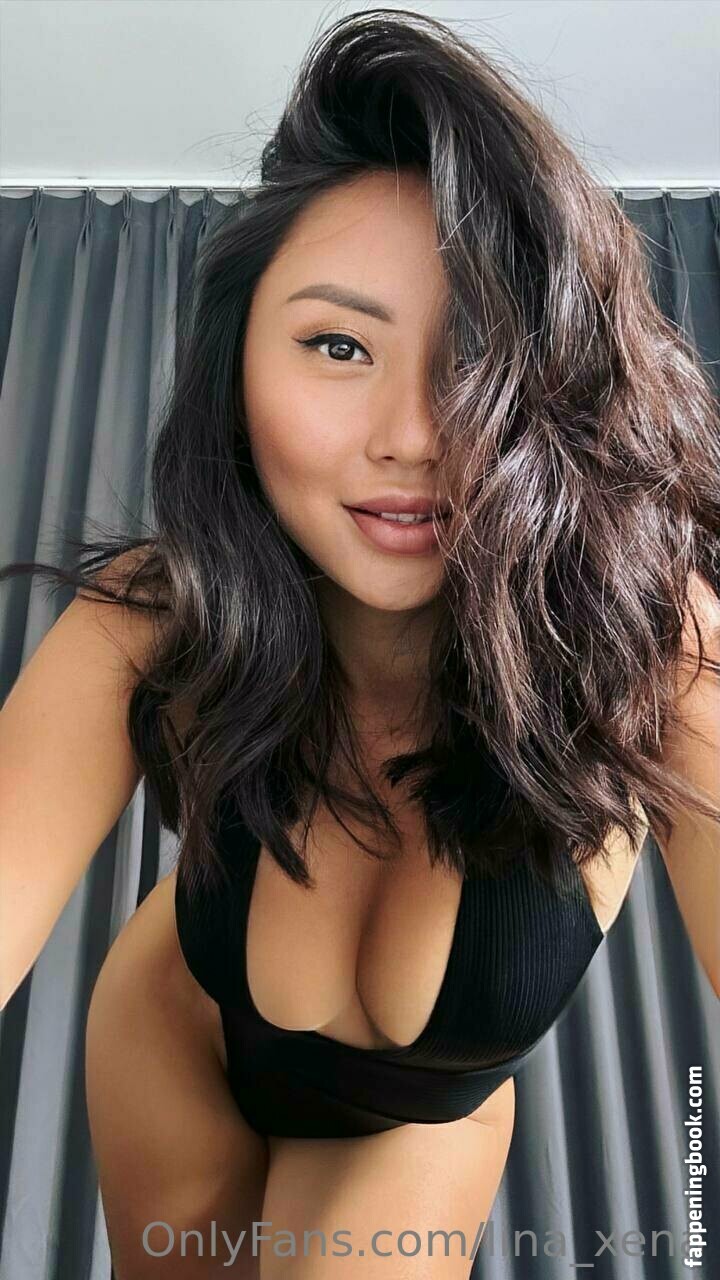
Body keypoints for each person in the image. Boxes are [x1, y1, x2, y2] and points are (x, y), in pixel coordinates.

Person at [1, 9, 719, 1279]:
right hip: (173, 1036)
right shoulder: (150, 614)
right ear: (236, 366)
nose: (413, 435)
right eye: (339, 345)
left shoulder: (654, 647)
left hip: (416, 1113)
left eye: (482, 356)